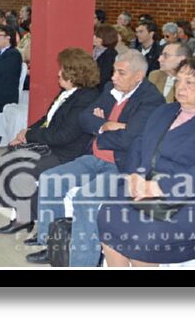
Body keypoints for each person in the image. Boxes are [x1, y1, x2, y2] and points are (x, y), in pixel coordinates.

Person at [91, 57, 195, 267]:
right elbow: (138, 145)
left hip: (194, 199)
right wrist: (134, 175)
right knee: (108, 217)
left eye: (189, 82)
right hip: (147, 187)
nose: (181, 87)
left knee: (143, 238)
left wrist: (158, 188)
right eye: (178, 80)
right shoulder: (164, 111)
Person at [26, 50, 165, 263]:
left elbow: (128, 140)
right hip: (94, 157)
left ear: (139, 76)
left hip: (121, 166)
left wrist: (103, 129)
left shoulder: (151, 100)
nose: (113, 77)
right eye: (114, 71)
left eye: (121, 73)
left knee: (85, 199)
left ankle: (83, 263)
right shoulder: (111, 89)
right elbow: (84, 119)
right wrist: (107, 125)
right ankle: (51, 244)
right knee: (50, 179)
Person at [0, 48, 100, 235]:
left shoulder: (85, 98)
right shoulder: (67, 93)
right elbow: (47, 119)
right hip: (52, 145)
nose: (58, 73)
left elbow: (64, 136)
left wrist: (30, 136)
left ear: (75, 73)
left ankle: (29, 217)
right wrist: (26, 132)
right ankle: (23, 216)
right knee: (9, 158)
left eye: (62, 70)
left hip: (66, 153)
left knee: (20, 167)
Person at [93, 25, 119, 94]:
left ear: (105, 38)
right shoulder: (93, 49)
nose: (93, 37)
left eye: (97, 36)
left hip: (100, 89)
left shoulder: (111, 55)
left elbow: (104, 77)